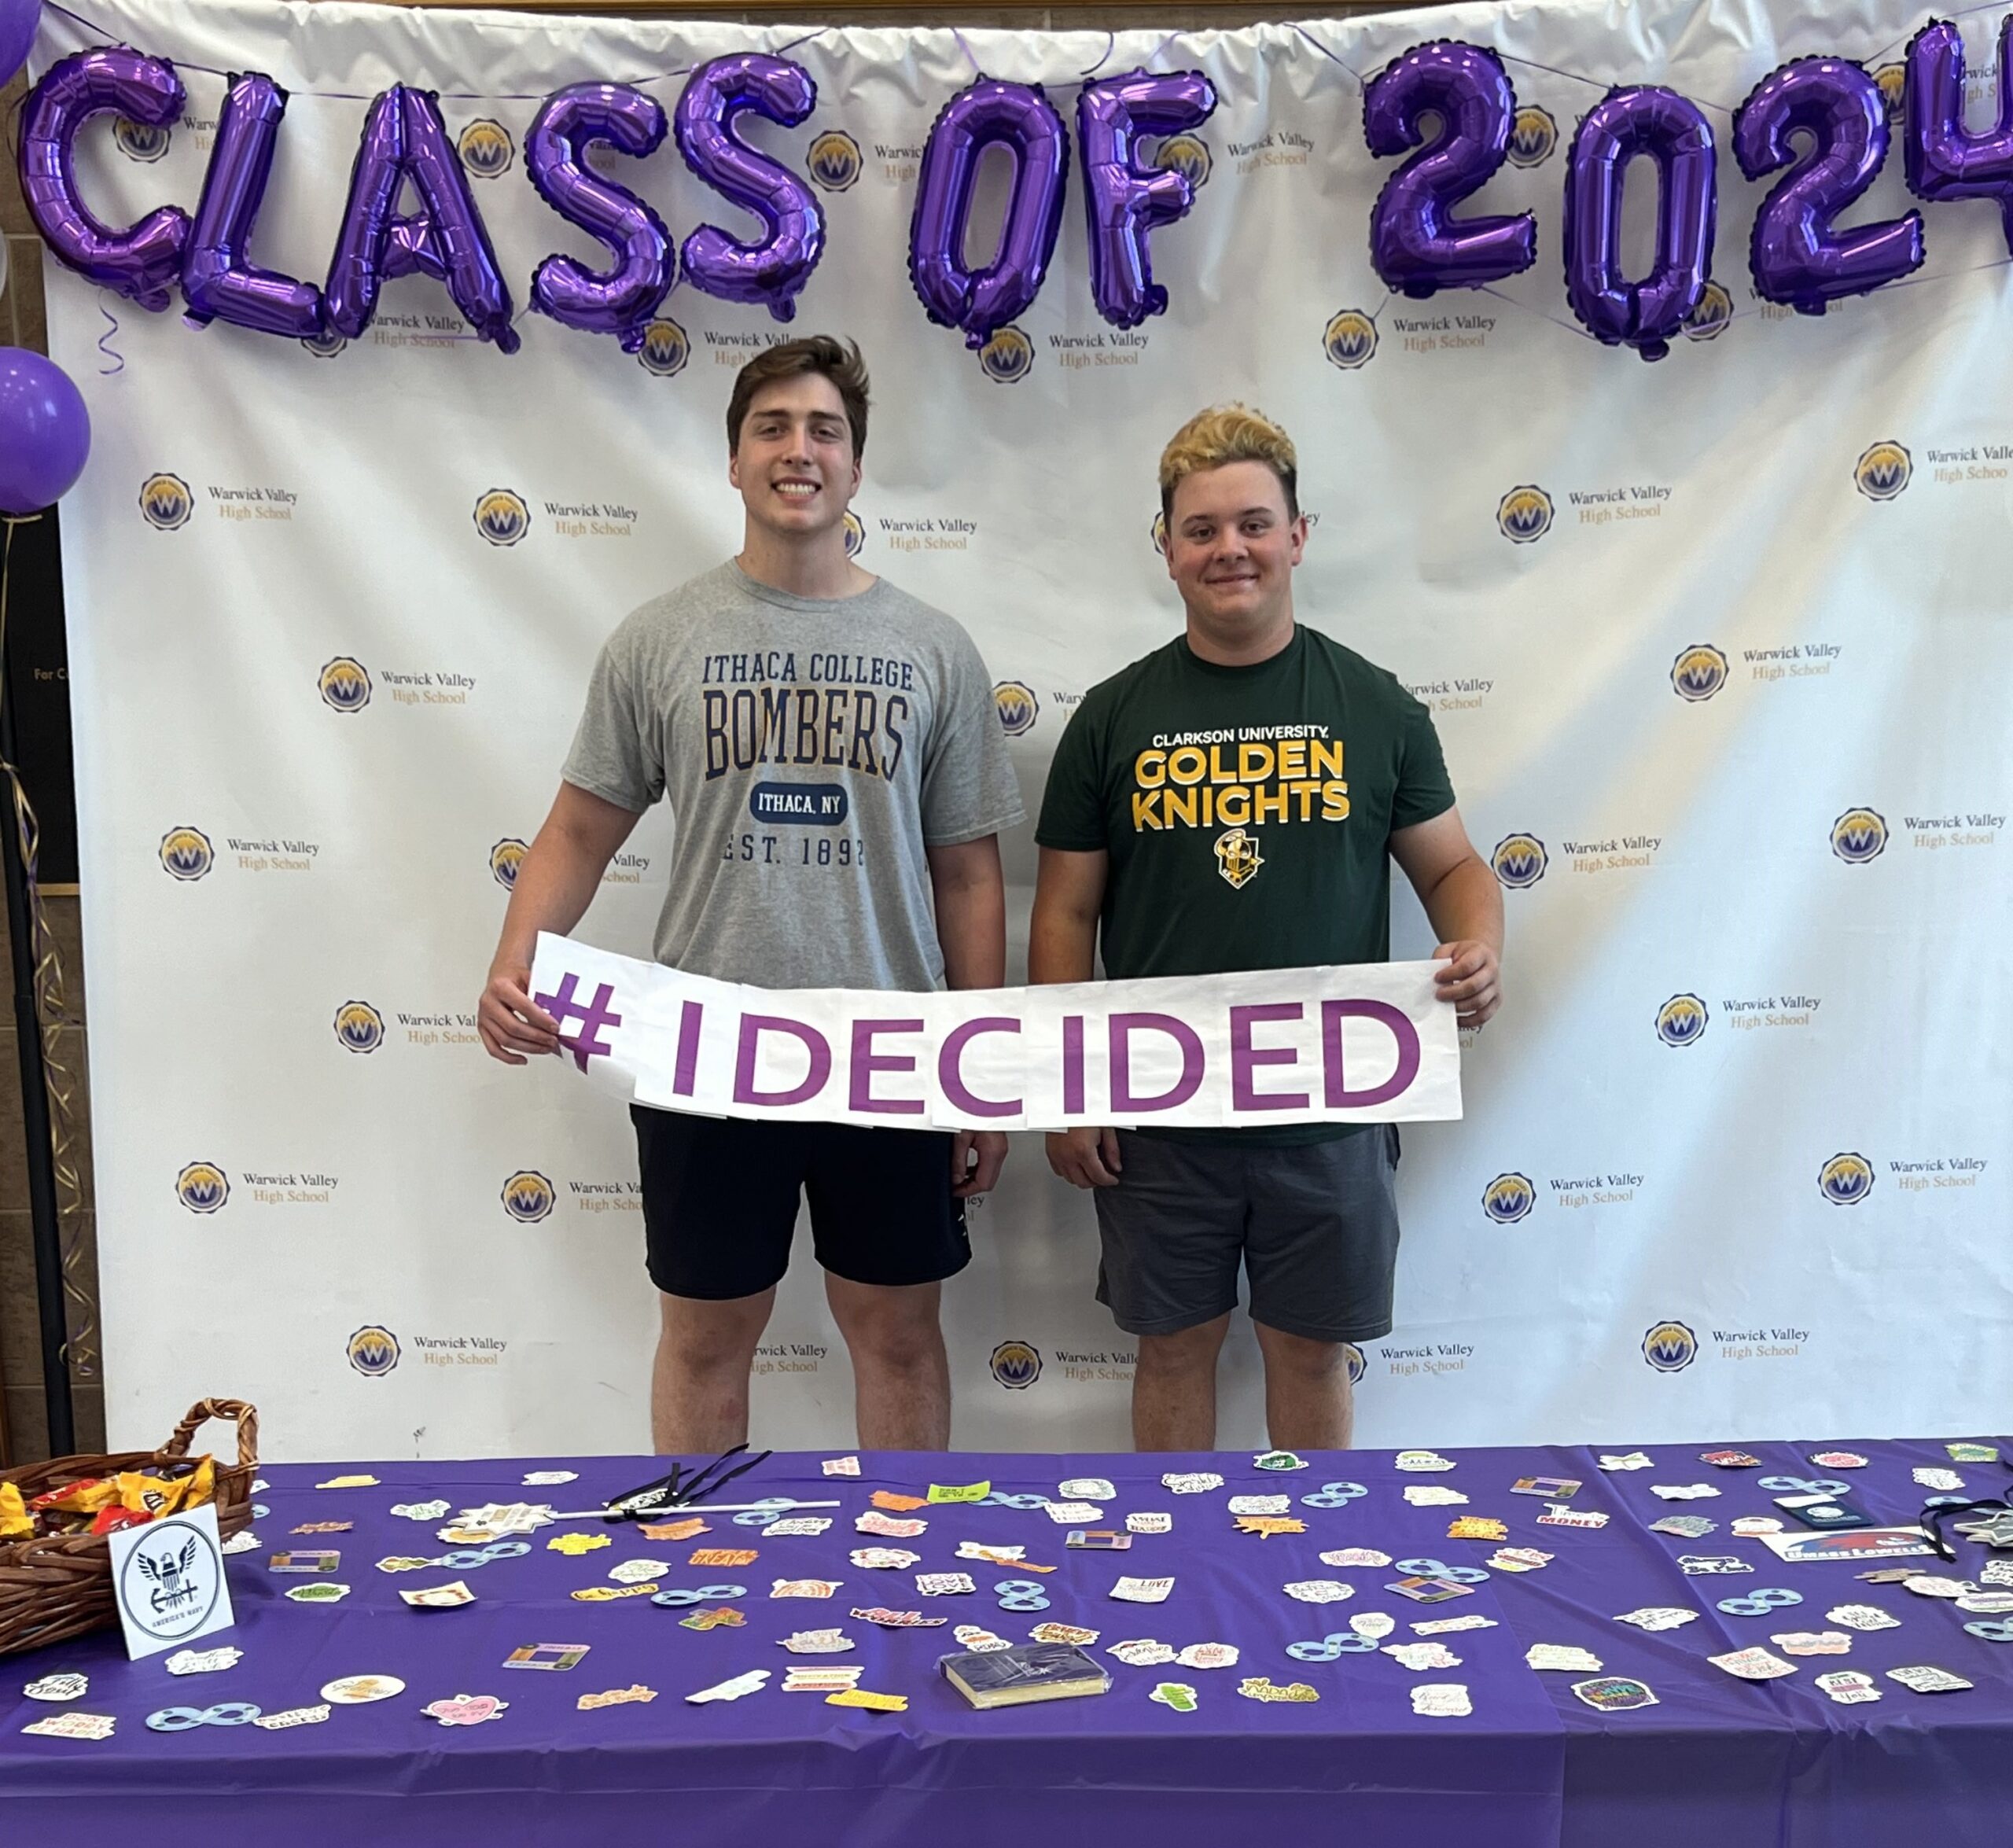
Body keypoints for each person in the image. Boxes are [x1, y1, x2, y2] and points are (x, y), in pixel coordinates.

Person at [479, 336, 1022, 1453]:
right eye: (772, 428)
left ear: (857, 469)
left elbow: (969, 872)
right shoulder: (659, 640)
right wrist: (514, 958)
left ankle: (902, 1568)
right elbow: (580, 829)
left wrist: (985, 1063)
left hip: (892, 1050)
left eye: (825, 430)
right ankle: (696, 1587)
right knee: (706, 1334)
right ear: (732, 461)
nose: (798, 450)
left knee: (899, 1333)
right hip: (706, 1048)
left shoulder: (934, 649)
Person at [1029, 403, 1502, 1452]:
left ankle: (1323, 1564)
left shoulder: (1377, 709)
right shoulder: (1111, 719)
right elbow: (1063, 910)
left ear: (1298, 534)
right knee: (1174, 1345)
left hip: (1328, 1107)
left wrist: (1478, 946)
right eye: (1200, 529)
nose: (1228, 548)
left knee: (1310, 1351)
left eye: (1252, 522)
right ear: (1166, 547)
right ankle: (1181, 1563)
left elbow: (1458, 868)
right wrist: (1068, 1085)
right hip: (1159, 1109)